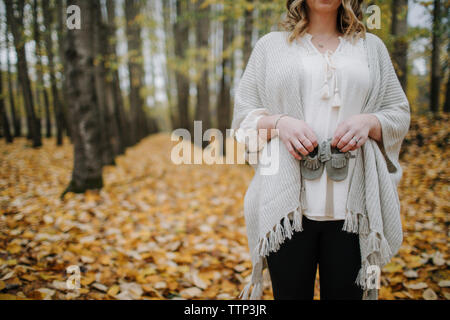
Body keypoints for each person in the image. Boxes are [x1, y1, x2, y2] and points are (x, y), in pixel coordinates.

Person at [231, 0, 410, 300]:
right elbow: (242, 123)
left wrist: (370, 121)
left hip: (355, 210)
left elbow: (399, 113)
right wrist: (279, 123)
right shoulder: (270, 47)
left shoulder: (371, 47)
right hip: (286, 210)